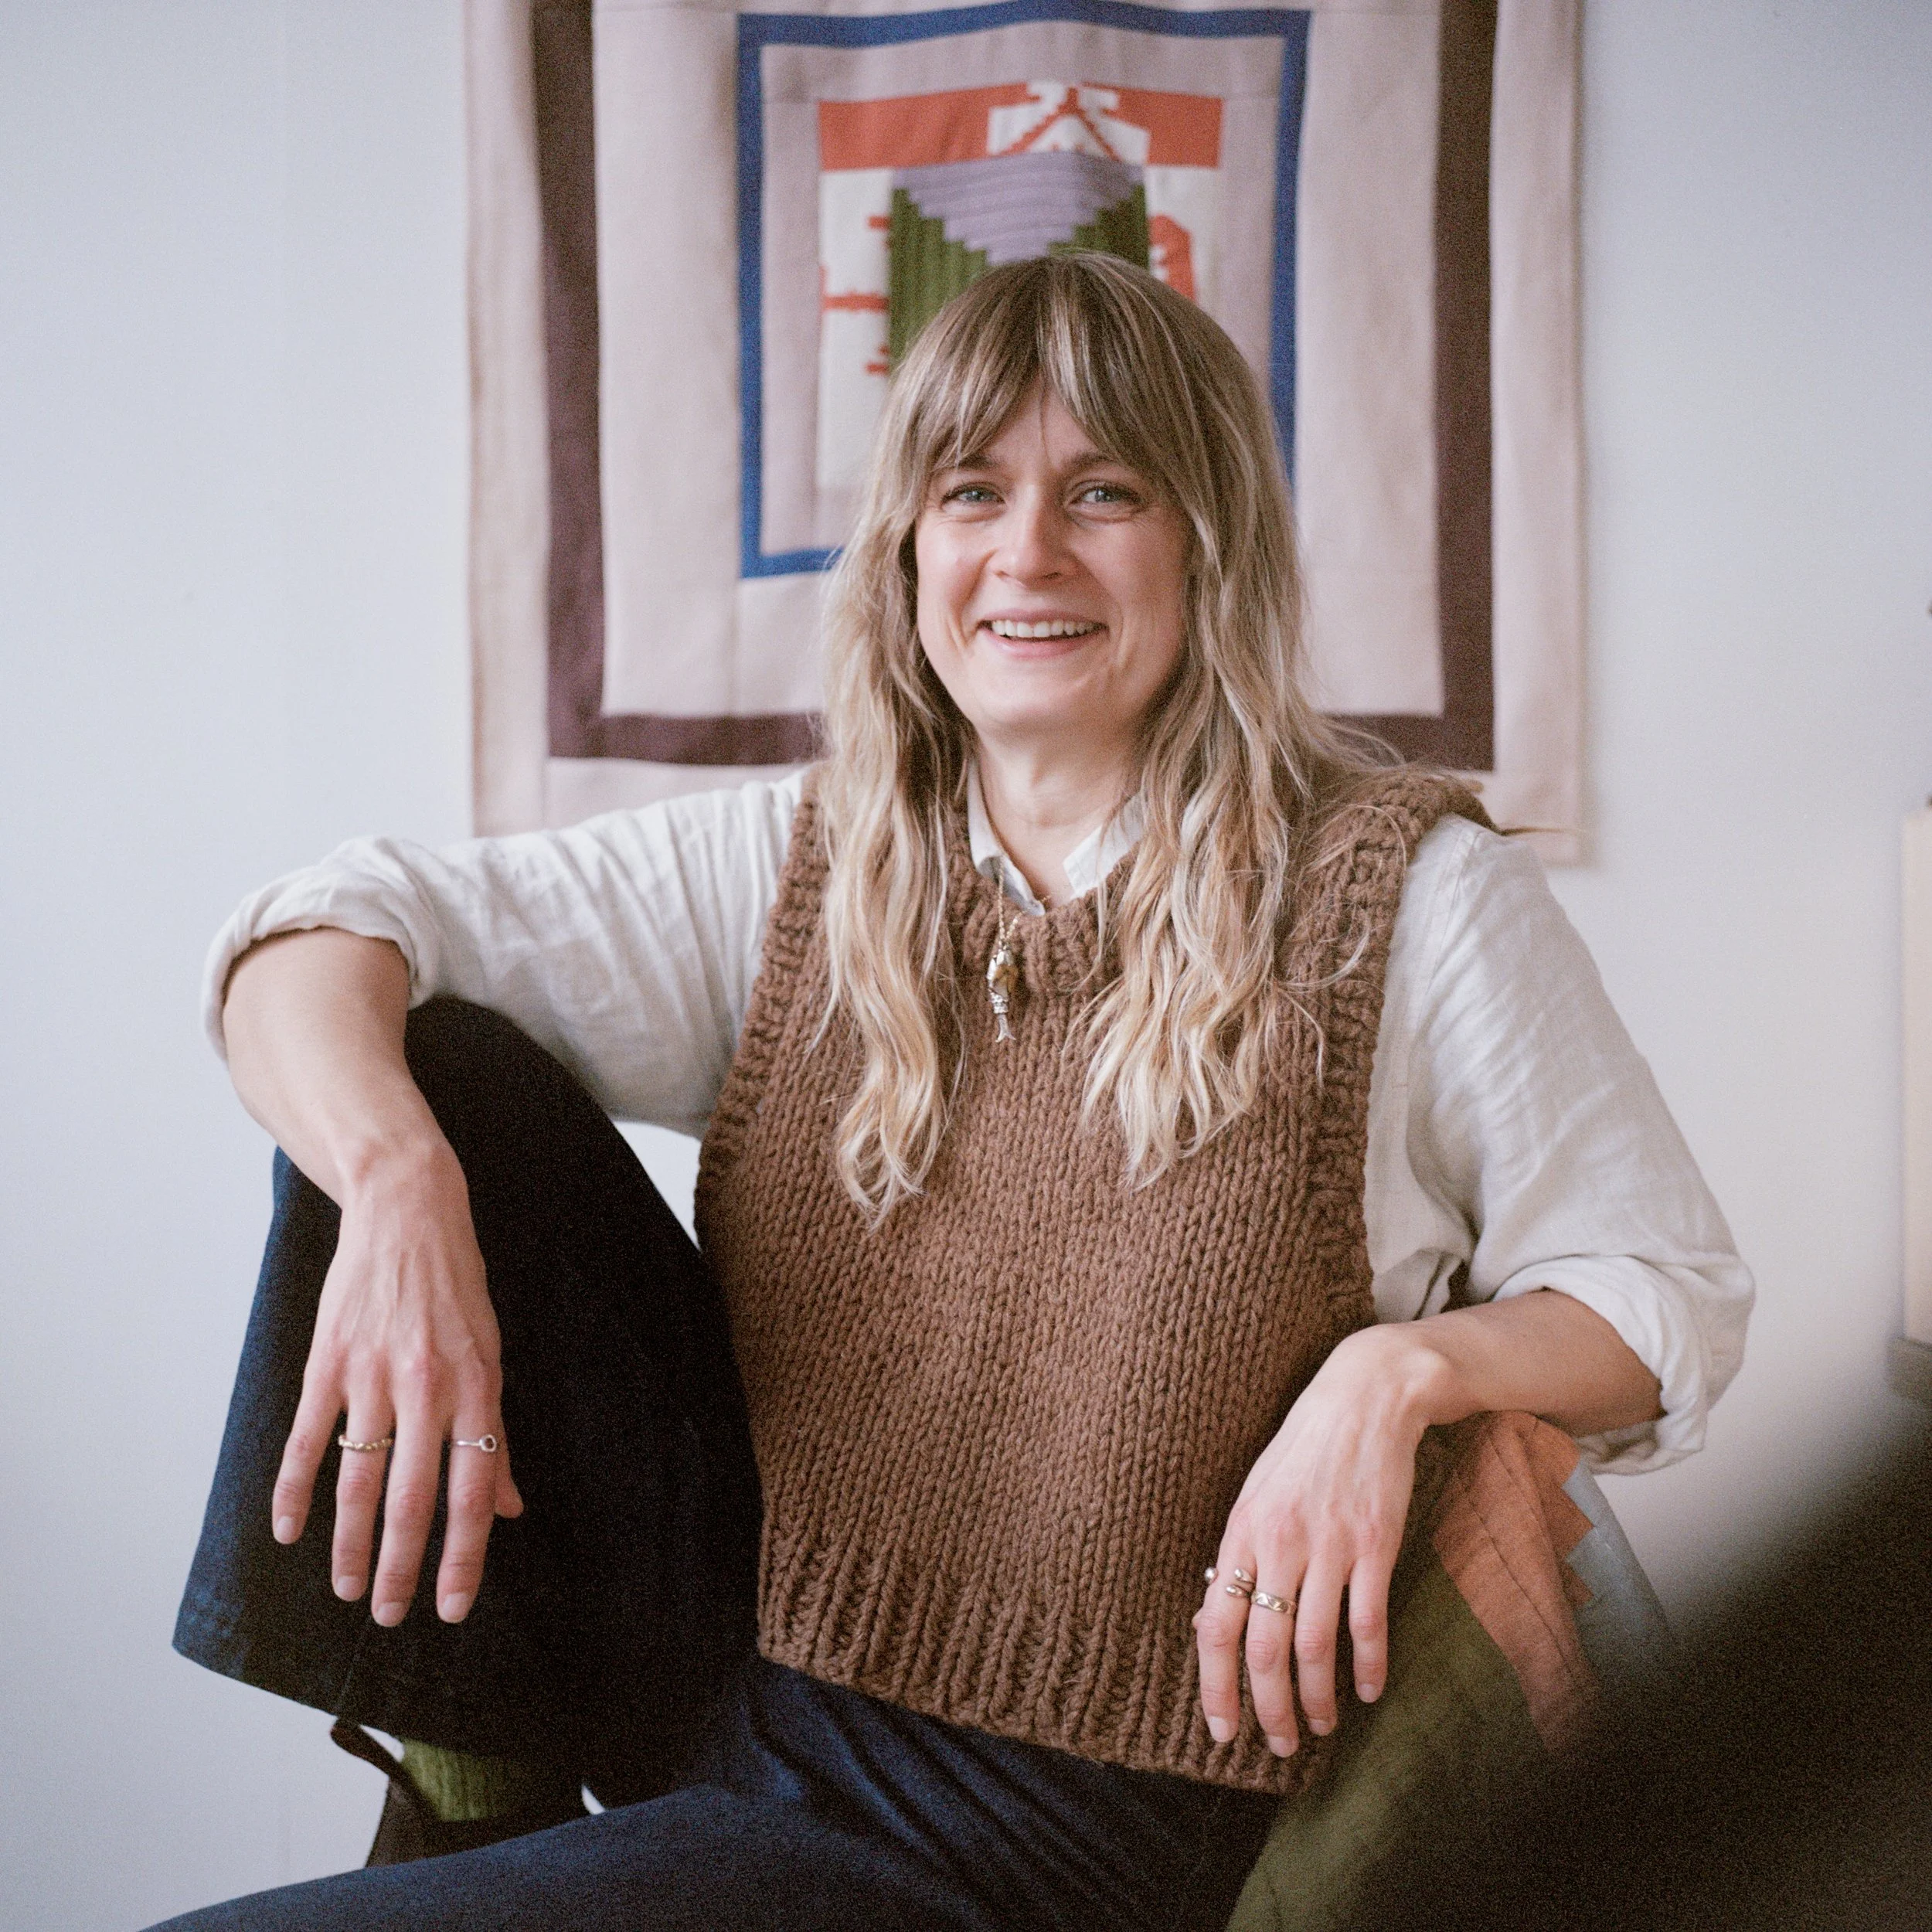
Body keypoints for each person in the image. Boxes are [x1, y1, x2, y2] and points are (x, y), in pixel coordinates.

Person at [155, 254, 1751, 1931]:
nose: (1027, 551)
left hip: (1044, 1830)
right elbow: (314, 928)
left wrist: (1398, 1367)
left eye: (1103, 491)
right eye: (971, 491)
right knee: (436, 1067)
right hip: (738, 1665)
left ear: (1206, 540)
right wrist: (398, 1182)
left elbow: (1663, 1296)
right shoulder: (810, 857)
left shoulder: (1400, 896)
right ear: (909, 546)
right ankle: (475, 1793)